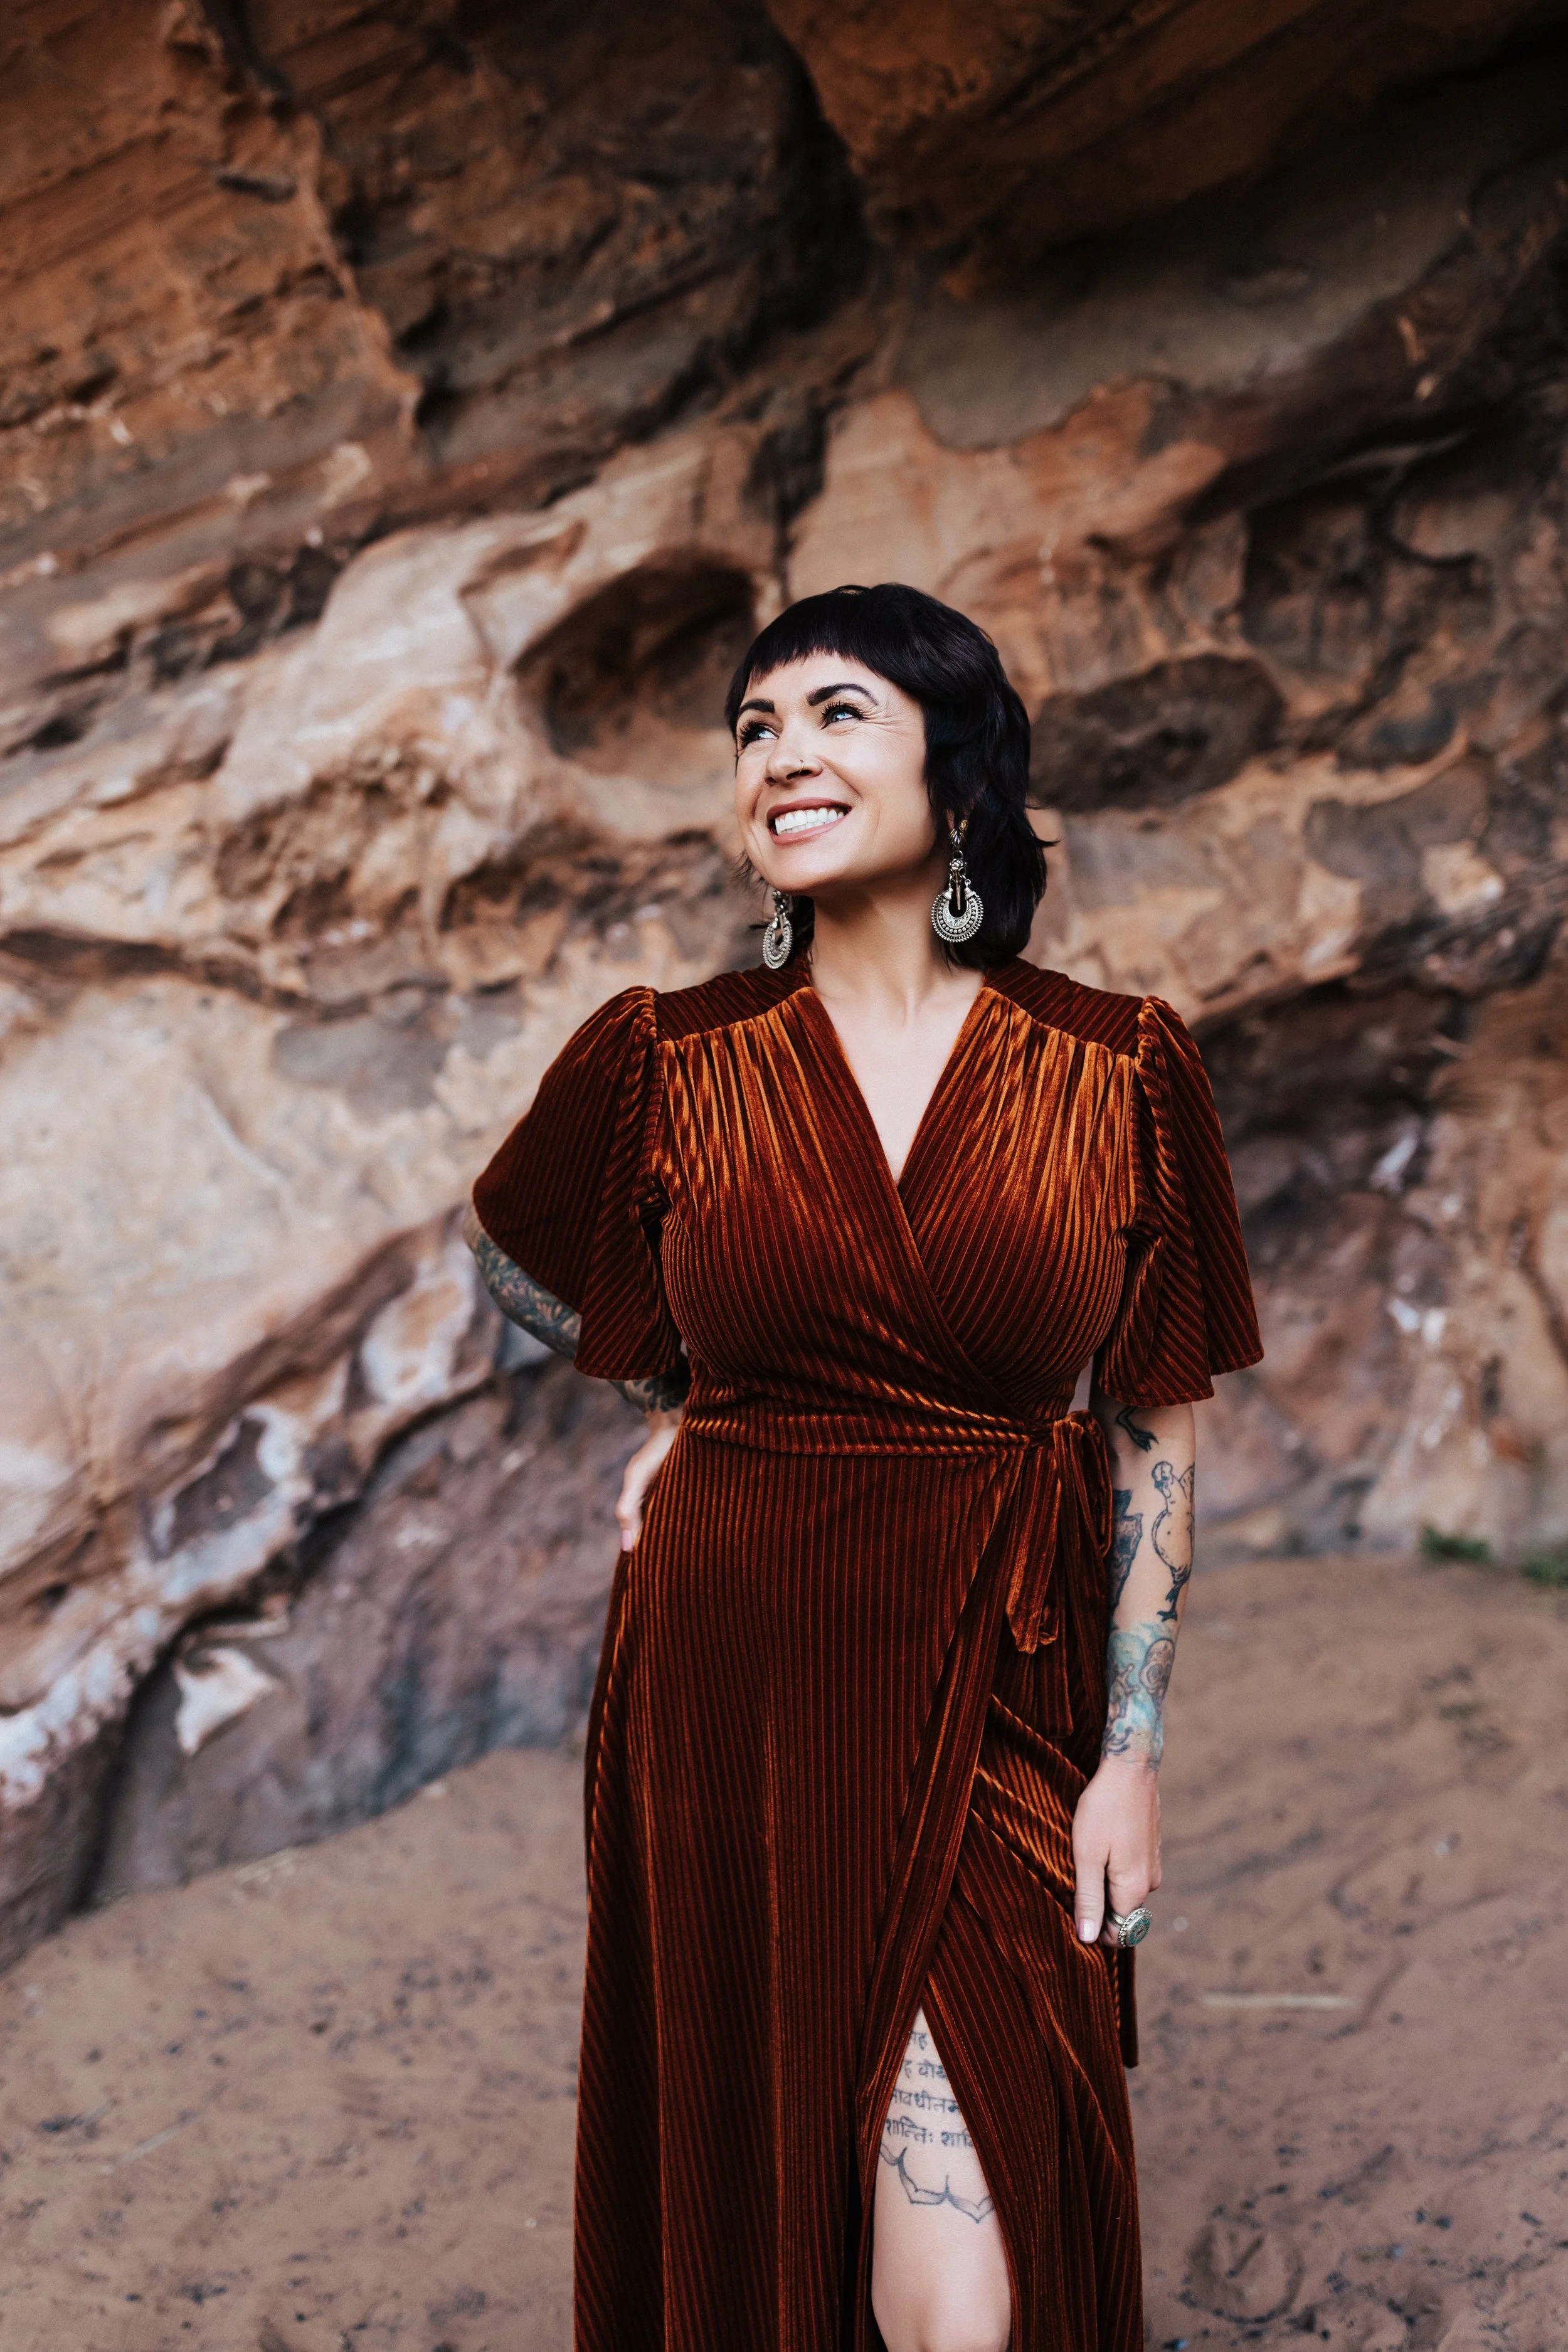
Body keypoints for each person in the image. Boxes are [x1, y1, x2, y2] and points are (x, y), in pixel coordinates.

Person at [465, 582, 1262, 2352]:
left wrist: (1130, 1750)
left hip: (1003, 1659)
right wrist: (680, 1393)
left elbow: (1147, 1424)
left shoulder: (1117, 1069)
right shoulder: (666, 1056)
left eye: (834, 713)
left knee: (970, 2243)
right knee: (756, 2140)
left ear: (957, 779)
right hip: (728, 1670)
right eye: (753, 730)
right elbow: (514, 1263)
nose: (779, 757)